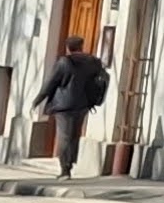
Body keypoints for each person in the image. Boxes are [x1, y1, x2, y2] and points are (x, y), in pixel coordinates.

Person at [35, 35, 111, 178]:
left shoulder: (64, 62)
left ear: (68, 48)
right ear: (81, 46)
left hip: (63, 106)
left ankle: (65, 169)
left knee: (64, 136)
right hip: (83, 105)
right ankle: (70, 164)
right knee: (75, 135)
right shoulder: (93, 62)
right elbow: (101, 79)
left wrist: (38, 100)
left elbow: (51, 82)